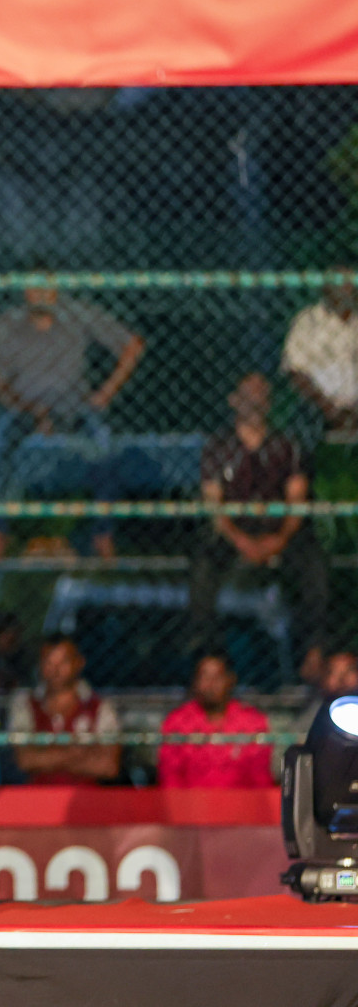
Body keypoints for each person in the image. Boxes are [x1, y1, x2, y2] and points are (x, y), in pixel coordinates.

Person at [0, 267, 144, 560]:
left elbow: (132, 346)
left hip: (74, 407)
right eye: (34, 287)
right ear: (24, 291)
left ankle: (102, 535)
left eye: (48, 287)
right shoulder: (7, 323)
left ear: (57, 290)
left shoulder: (77, 313)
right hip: (25, 407)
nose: (42, 294)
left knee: (105, 443)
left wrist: (106, 393)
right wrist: (28, 408)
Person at [188, 373, 327, 668]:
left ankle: (313, 650)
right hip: (235, 531)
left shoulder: (287, 445)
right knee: (203, 563)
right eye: (248, 391)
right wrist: (241, 541)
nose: (255, 397)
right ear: (234, 400)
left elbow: (296, 501)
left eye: (261, 391)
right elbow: (214, 506)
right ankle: (206, 652)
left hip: (277, 531)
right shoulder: (218, 447)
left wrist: (279, 539)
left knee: (312, 562)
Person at [283, 269, 358, 541]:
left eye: (350, 283)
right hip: (318, 410)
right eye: (339, 283)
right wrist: (331, 409)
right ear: (325, 288)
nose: (345, 289)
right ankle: (324, 529)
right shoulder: (308, 322)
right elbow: (295, 372)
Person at [6, 635, 120, 785]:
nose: (56, 670)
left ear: (79, 663)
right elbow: (25, 760)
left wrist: (46, 758)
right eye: (49, 663)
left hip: (86, 800)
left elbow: (108, 767)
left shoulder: (100, 707)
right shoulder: (25, 705)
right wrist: (77, 754)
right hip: (37, 800)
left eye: (63, 662)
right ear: (40, 665)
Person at [158, 651, 272, 789]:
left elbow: (260, 778)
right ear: (194, 682)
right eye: (204, 677)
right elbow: (170, 778)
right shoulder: (177, 722)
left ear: (231, 680)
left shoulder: (252, 722)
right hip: (192, 806)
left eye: (217, 677)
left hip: (240, 805)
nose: (211, 684)